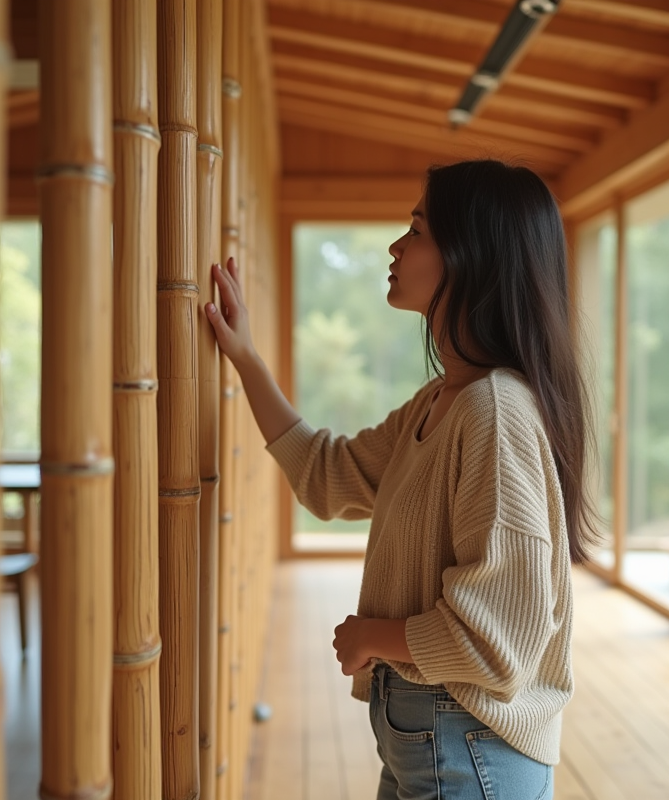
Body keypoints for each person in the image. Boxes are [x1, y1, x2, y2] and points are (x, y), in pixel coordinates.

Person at [205, 159, 596, 800]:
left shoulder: (494, 411)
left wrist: (371, 636)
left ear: (471, 257)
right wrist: (245, 358)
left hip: (469, 745)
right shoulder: (442, 401)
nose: (396, 245)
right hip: (435, 737)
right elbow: (329, 476)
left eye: (416, 230)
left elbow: (499, 638)